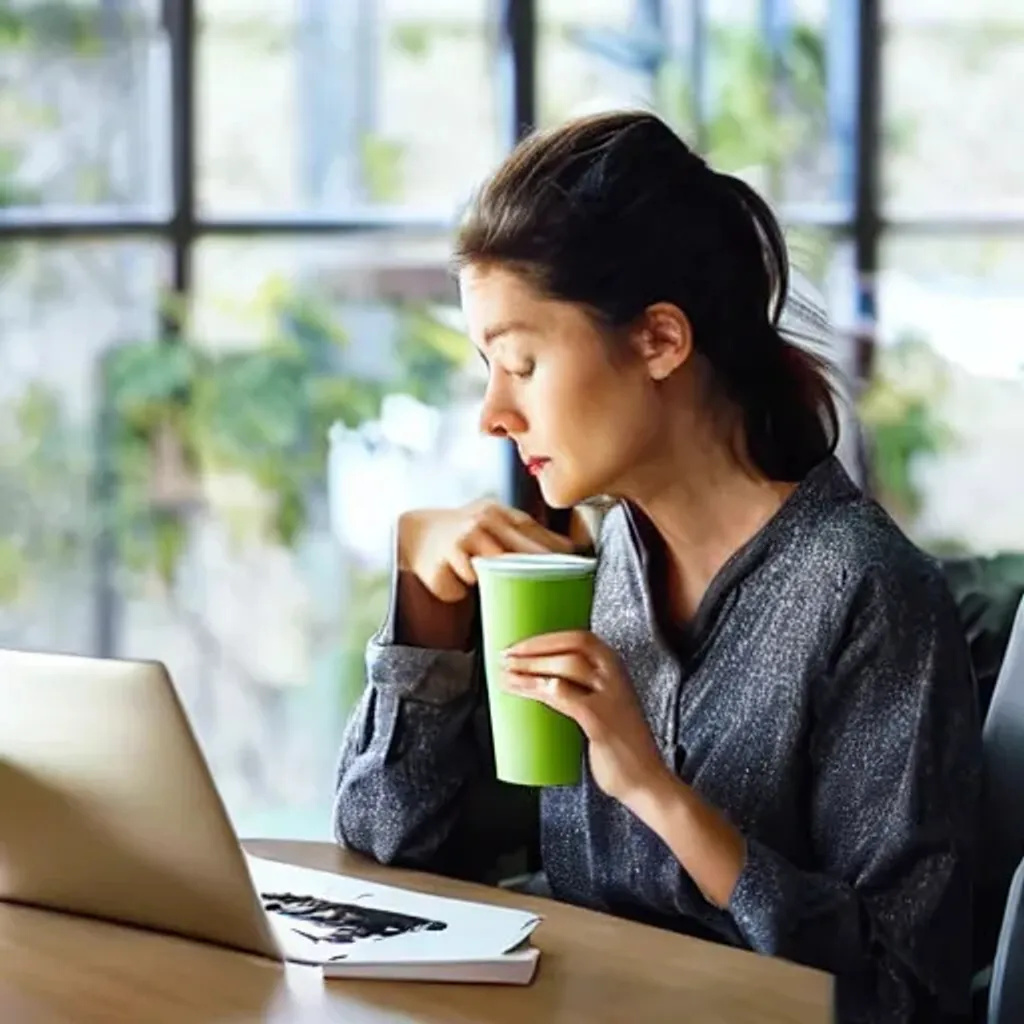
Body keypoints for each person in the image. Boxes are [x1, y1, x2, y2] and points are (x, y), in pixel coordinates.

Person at [333, 111, 980, 1023]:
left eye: (520, 362)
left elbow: (905, 992)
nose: (493, 413)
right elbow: (383, 847)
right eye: (486, 367)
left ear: (660, 342)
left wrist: (654, 792)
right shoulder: (593, 571)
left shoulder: (866, 594)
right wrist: (423, 617)